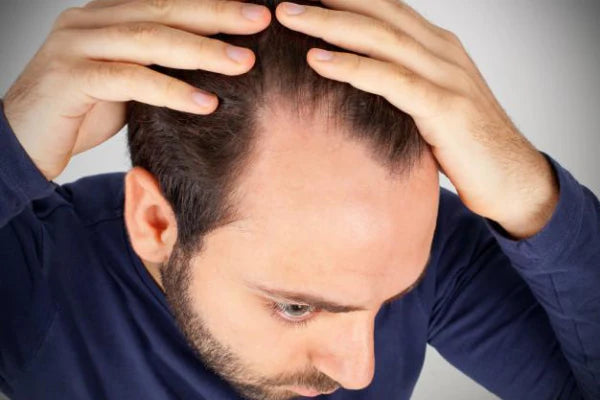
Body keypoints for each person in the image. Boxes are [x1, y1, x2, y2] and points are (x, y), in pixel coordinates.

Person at [0, 0, 598, 399]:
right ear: (155, 221)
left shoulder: (424, 245)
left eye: (394, 299)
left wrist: (532, 195)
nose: (359, 373)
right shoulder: (37, 269)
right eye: (296, 307)